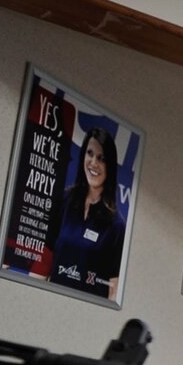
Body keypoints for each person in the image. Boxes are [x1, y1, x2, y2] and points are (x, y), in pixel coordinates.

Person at [49, 126, 125, 302]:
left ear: (110, 166)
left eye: (101, 158)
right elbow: (45, 261)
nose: (93, 162)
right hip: (50, 302)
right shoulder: (65, 201)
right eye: (89, 153)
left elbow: (113, 292)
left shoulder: (116, 226)